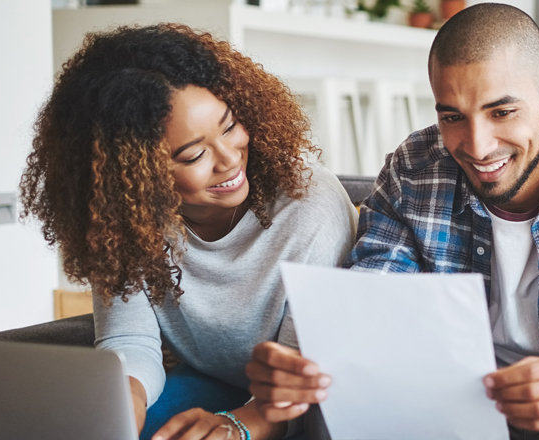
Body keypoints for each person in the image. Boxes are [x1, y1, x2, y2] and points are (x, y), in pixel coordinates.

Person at [245, 3, 539, 439]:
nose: (477, 146)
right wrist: (303, 368)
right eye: (453, 117)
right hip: (454, 418)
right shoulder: (414, 170)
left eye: (501, 111)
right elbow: (375, 300)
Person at [20, 24, 357, 440]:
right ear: (136, 172)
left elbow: (298, 373)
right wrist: (124, 397)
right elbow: (129, 337)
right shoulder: (126, 219)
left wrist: (239, 428)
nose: (230, 159)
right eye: (194, 154)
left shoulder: (309, 205)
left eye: (231, 126)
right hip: (207, 381)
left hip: (299, 400)